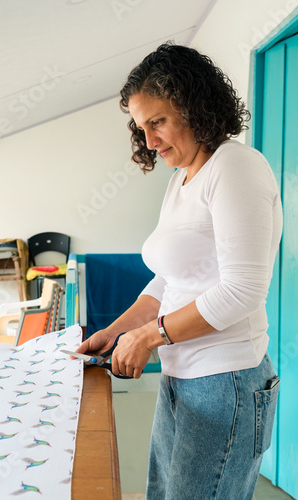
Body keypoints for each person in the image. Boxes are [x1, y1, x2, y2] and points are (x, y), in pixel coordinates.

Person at [76, 42, 283, 500]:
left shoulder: (235, 167)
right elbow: (169, 279)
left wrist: (149, 337)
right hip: (181, 374)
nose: (149, 140)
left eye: (158, 122)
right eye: (140, 126)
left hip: (225, 381)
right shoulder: (182, 179)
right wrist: (115, 331)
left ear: (196, 107)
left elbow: (243, 290)